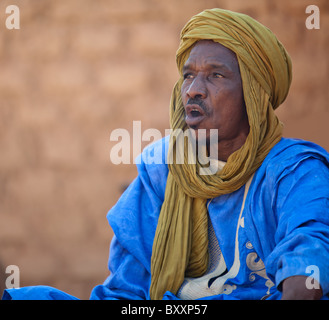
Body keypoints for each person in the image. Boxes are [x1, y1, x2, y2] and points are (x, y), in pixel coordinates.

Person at [3, 8, 329, 300]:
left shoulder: (294, 171)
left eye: (216, 75)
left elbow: (309, 261)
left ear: (254, 94)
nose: (193, 90)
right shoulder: (162, 168)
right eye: (188, 75)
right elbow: (127, 290)